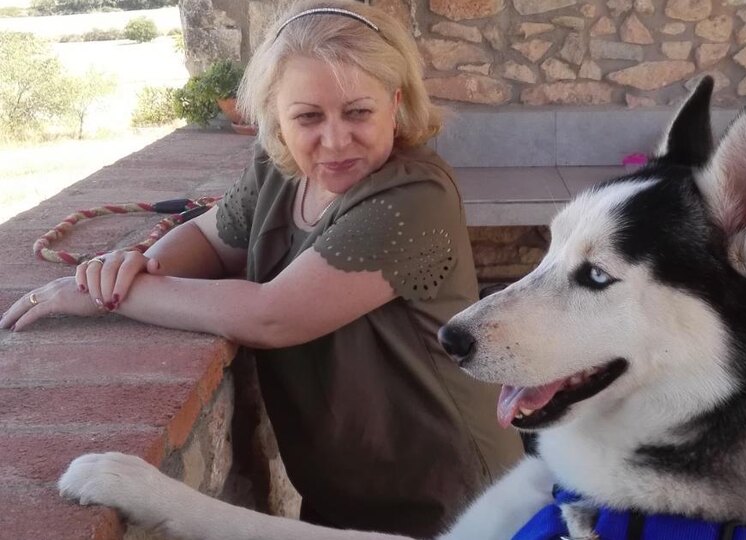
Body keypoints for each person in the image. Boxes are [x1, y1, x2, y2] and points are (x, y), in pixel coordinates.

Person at [0, 0, 522, 535]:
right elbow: (210, 239)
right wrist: (134, 267)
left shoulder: (413, 195)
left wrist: (107, 295)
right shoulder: (279, 171)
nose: (335, 139)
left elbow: (275, 316)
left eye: (358, 111)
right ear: (275, 114)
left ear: (395, 102)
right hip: (347, 493)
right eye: (308, 117)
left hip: (456, 501)